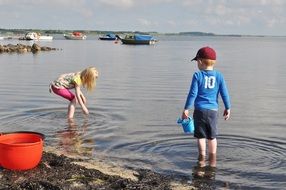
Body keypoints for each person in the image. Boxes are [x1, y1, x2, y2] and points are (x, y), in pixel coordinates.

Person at [182, 46, 231, 168]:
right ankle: (213, 161)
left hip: (199, 110)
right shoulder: (219, 76)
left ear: (199, 61)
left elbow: (192, 93)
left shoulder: (197, 75)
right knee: (212, 136)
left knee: (200, 136)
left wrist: (186, 108)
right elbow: (224, 93)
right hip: (213, 111)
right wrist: (228, 107)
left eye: (196, 61)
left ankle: (201, 160)